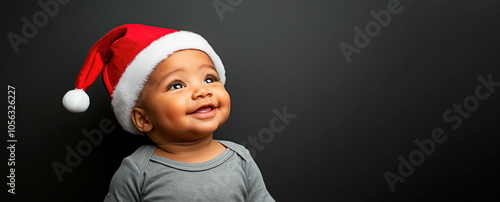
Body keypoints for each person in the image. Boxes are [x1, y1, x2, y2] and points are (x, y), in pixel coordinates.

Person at [62, 24, 274, 201]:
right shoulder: (137, 170)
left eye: (209, 79)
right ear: (143, 119)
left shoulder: (240, 159)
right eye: (176, 85)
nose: (202, 91)